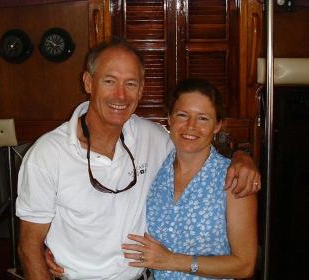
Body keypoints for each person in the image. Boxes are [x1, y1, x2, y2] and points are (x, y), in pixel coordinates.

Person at [16, 37, 260, 280]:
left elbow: (196, 146)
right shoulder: (47, 154)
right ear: (89, 82)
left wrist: (242, 157)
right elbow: (29, 247)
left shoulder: (152, 138)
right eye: (110, 81)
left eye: (131, 84)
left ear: (141, 90)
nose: (120, 95)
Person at [121, 78, 258, 279]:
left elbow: (244, 266)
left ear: (218, 125)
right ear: (169, 119)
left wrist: (172, 260)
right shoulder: (154, 165)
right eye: (182, 115)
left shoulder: (232, 179)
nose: (191, 126)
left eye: (203, 118)